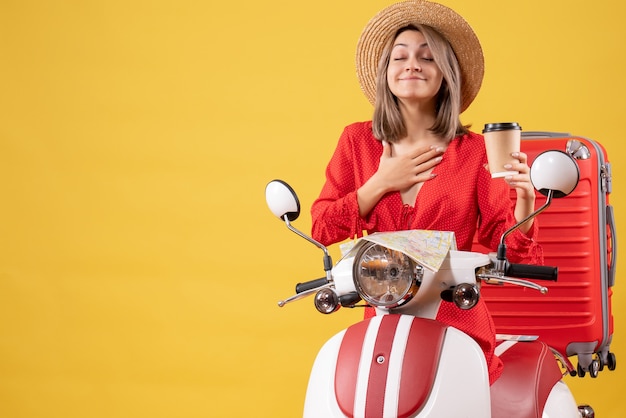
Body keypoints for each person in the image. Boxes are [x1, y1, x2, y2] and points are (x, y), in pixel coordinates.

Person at [310, 0, 543, 385]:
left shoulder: (473, 152)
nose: (412, 64)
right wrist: (381, 182)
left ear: (445, 74)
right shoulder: (357, 141)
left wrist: (526, 200)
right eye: (399, 56)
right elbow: (322, 228)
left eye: (427, 57)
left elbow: (506, 245)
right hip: (383, 325)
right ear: (386, 72)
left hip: (457, 323)